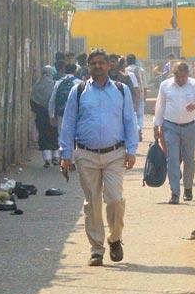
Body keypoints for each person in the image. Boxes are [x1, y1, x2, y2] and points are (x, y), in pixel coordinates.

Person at [59, 49, 139, 266]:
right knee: (92, 203)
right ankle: (96, 249)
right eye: (93, 63)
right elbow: (68, 124)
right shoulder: (79, 91)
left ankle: (115, 239)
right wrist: (66, 155)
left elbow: (130, 121)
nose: (97, 66)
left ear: (108, 65)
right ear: (88, 66)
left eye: (101, 63)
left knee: (114, 199)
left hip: (114, 153)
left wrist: (132, 150)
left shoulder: (121, 91)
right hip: (86, 154)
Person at [154, 61, 195, 204]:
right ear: (173, 74)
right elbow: (160, 106)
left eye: (183, 77)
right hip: (170, 126)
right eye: (178, 76)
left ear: (187, 75)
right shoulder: (165, 85)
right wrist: (156, 126)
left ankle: (188, 187)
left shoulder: (194, 84)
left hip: (189, 127)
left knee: (189, 159)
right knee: (172, 159)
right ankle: (175, 193)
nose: (181, 79)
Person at [31, 64, 60, 166]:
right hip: (52, 115)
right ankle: (56, 157)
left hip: (40, 115)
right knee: (55, 135)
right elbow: (57, 101)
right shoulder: (55, 85)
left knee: (43, 136)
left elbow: (32, 103)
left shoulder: (36, 86)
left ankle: (47, 159)